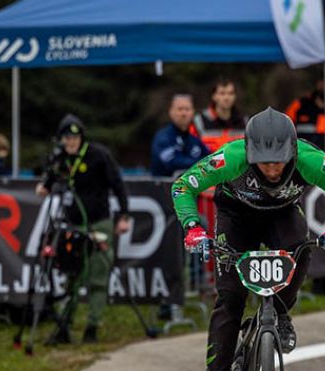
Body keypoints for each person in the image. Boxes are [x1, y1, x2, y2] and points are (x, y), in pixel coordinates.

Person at [172, 108, 325, 371]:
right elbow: (183, 187)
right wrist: (193, 227)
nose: (273, 169)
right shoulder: (231, 156)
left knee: (301, 248)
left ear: (292, 152)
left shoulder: (309, 159)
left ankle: (280, 313)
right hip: (236, 218)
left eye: (279, 161)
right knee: (230, 300)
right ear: (250, 154)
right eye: (265, 162)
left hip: (282, 215)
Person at [36, 115, 131, 344]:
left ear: (81, 138)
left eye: (75, 137)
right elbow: (48, 181)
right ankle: (64, 327)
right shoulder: (60, 159)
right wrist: (44, 185)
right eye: (67, 138)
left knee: (98, 274)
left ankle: (92, 327)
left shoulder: (99, 155)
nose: (71, 142)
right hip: (72, 224)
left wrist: (123, 215)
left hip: (98, 222)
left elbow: (118, 184)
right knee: (72, 276)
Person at [151, 94, 209, 178]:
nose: (184, 113)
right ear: (171, 112)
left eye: (187, 109)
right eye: (180, 109)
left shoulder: (195, 139)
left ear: (193, 112)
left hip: (189, 189)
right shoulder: (163, 138)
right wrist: (200, 163)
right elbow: (172, 163)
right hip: (163, 189)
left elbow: (209, 159)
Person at [192, 78, 248, 152]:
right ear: (214, 96)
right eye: (222, 93)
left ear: (235, 96)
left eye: (230, 93)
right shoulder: (199, 121)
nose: (226, 97)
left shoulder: (245, 122)